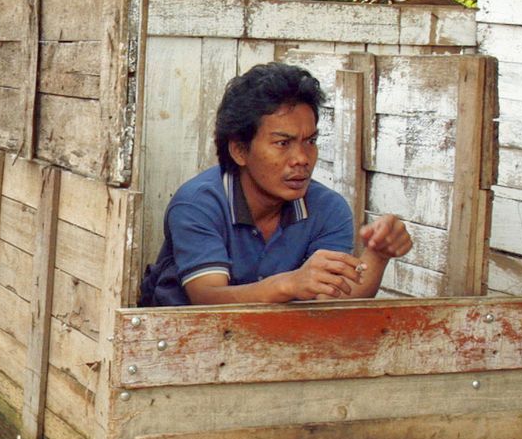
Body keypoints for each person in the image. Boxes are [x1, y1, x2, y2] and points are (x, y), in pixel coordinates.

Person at [140, 62, 413, 306]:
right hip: (184, 349)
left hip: (280, 351)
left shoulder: (328, 209)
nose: (302, 159)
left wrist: (377, 255)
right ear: (239, 150)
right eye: (283, 143)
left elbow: (332, 300)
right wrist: (288, 284)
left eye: (310, 142)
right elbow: (207, 297)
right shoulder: (198, 203)